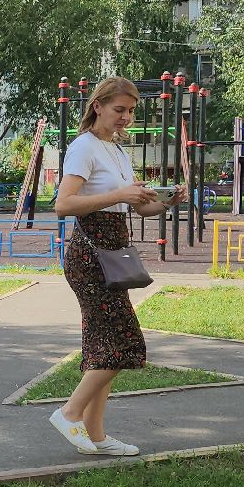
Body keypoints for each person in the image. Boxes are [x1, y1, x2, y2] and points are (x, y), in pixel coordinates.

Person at [49, 76, 167, 458]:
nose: (126, 117)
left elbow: (138, 206)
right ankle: (69, 414)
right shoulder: (84, 147)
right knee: (122, 343)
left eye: (131, 111)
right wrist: (119, 193)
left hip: (111, 251)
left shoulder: (115, 151)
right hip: (91, 254)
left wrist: (167, 200)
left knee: (102, 347)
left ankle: (97, 436)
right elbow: (63, 205)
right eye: (119, 110)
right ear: (97, 105)